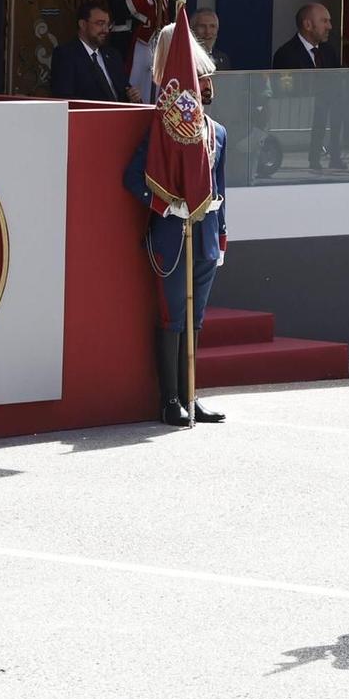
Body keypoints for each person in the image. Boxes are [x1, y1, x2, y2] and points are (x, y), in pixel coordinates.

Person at [123, 22, 227, 427]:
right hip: (172, 234)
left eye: (205, 81)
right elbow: (134, 179)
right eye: (198, 80)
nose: (204, 87)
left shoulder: (217, 132)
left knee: (195, 318)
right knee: (172, 317)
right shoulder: (164, 131)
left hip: (204, 236)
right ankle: (169, 399)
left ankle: (191, 393)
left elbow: (221, 190)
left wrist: (221, 237)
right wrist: (166, 207)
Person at [272, 3, 341, 170]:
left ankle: (333, 156)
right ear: (308, 24)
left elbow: (337, 84)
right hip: (298, 121)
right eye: (324, 21)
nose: (329, 27)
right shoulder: (286, 54)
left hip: (328, 111)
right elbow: (284, 91)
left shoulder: (329, 51)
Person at [50, 1, 135, 102]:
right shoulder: (66, 55)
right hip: (87, 116)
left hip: (120, 115)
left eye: (108, 25)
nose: (106, 30)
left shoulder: (113, 55)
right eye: (100, 24)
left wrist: (132, 96)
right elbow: (63, 98)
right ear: (83, 24)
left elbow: (124, 89)